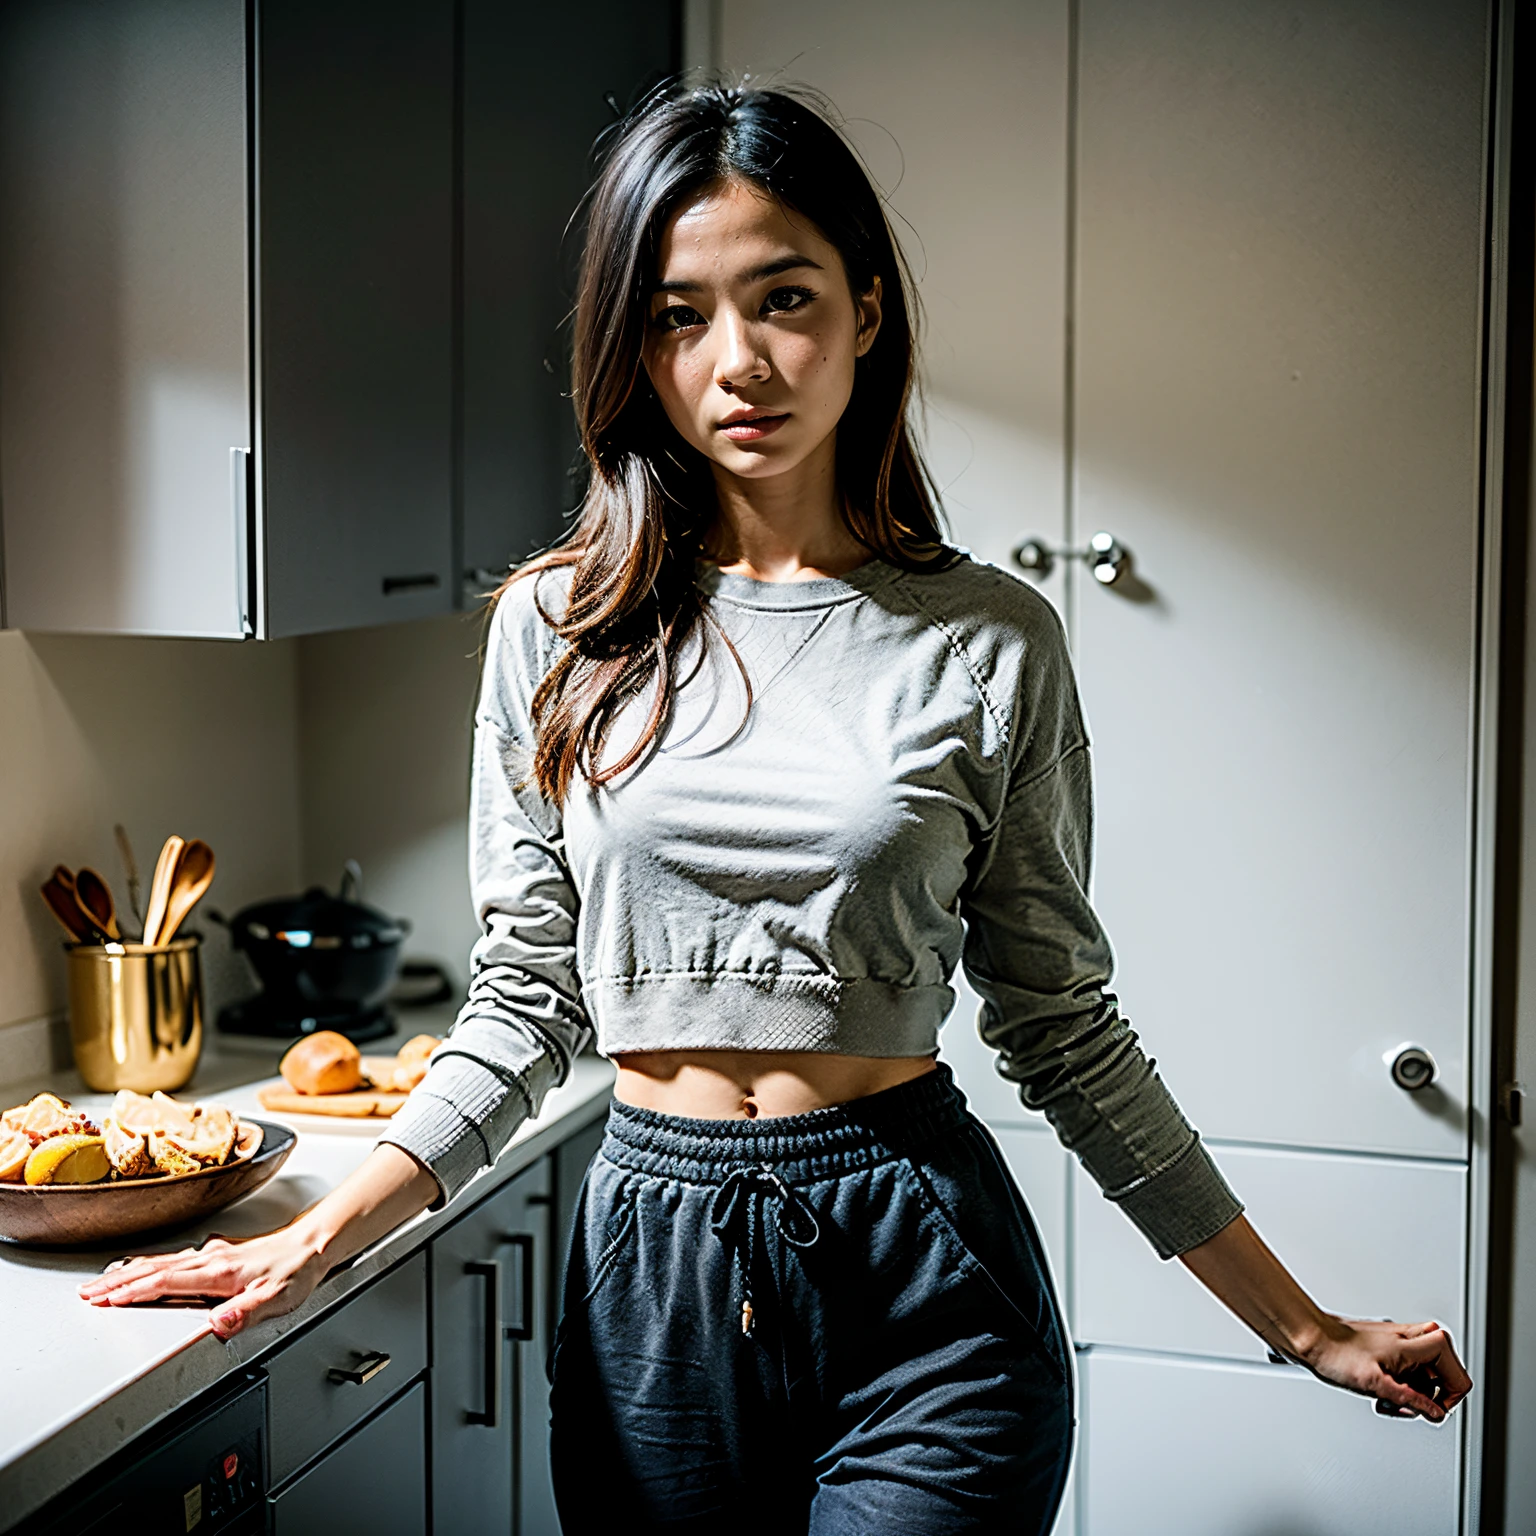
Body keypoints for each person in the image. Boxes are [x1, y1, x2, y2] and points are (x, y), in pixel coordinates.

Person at [80, 79, 1472, 1533]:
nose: (737, 361)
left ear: (868, 310)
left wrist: (1301, 1327)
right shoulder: (557, 628)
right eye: (680, 315)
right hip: (649, 1284)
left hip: (924, 1271)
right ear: (636, 348)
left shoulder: (988, 638)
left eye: (784, 297)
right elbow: (523, 1004)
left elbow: (1063, 1025)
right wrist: (312, 1243)